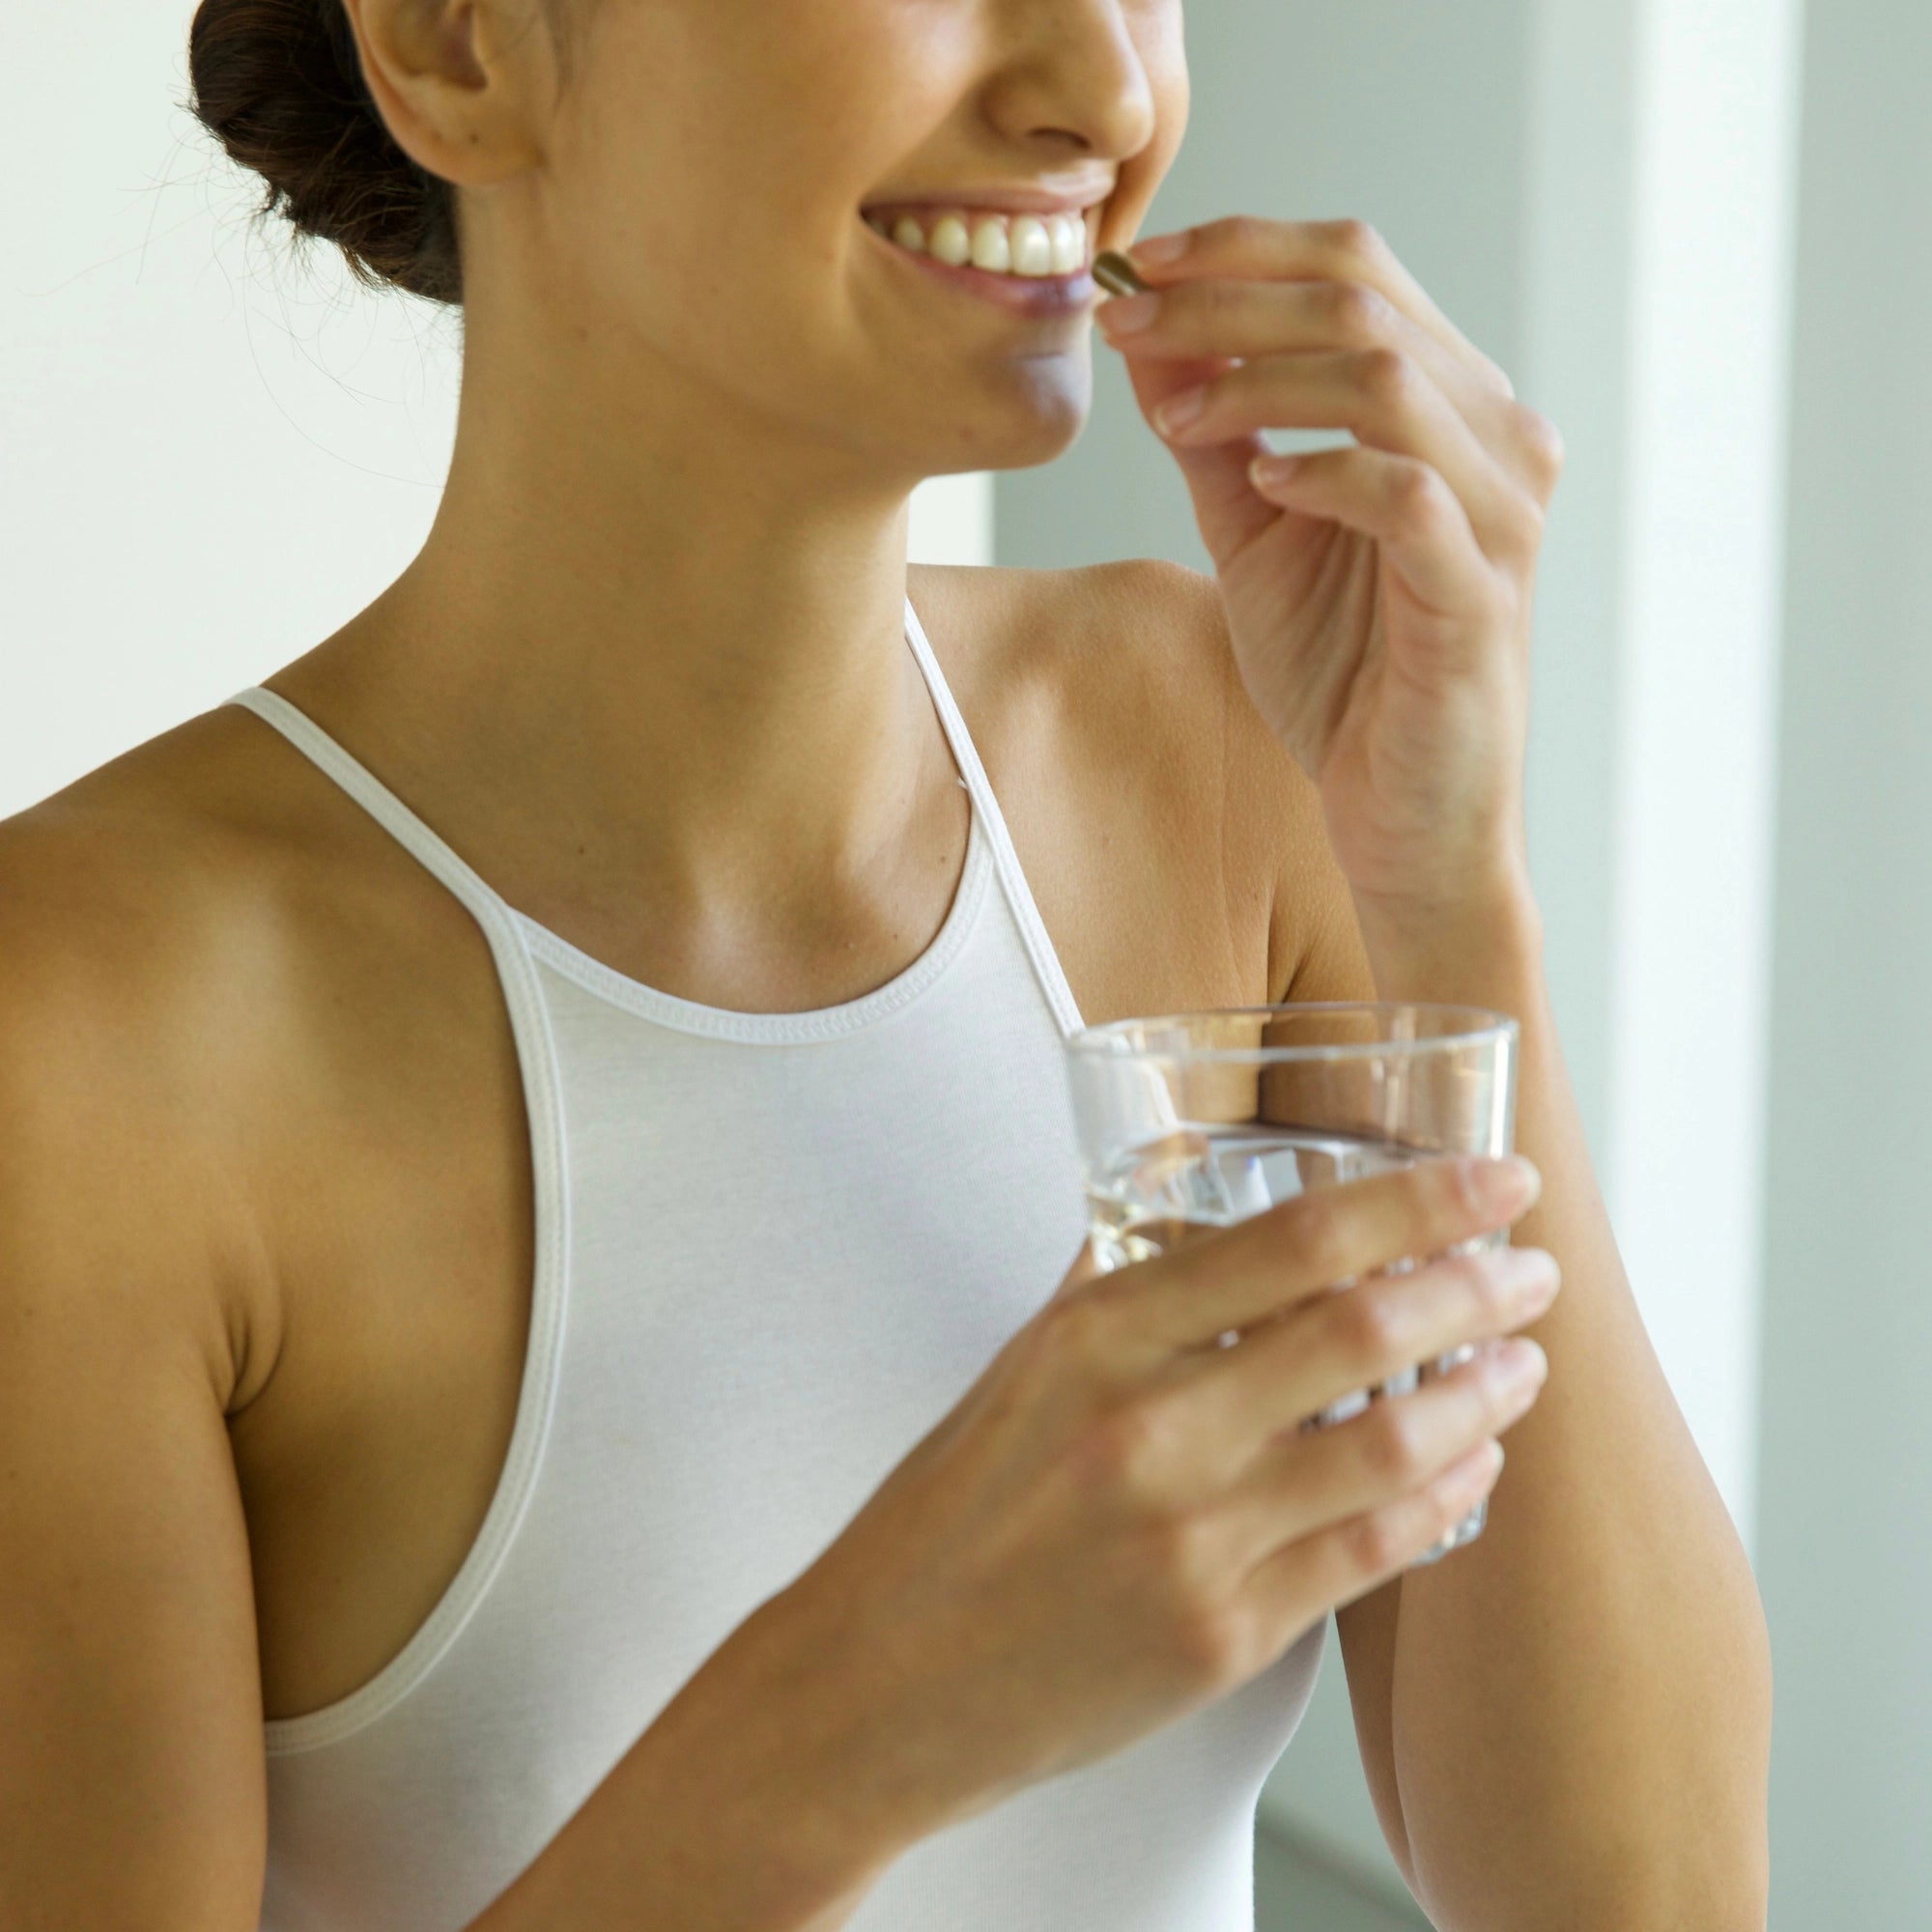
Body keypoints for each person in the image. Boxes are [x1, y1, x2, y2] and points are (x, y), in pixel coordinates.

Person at [0, 1, 1772, 1927]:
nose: (1103, 89)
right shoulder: (83, 1042)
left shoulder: (1217, 759)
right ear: (456, 43)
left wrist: (1447, 887)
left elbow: (1646, 1898)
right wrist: (876, 1702)